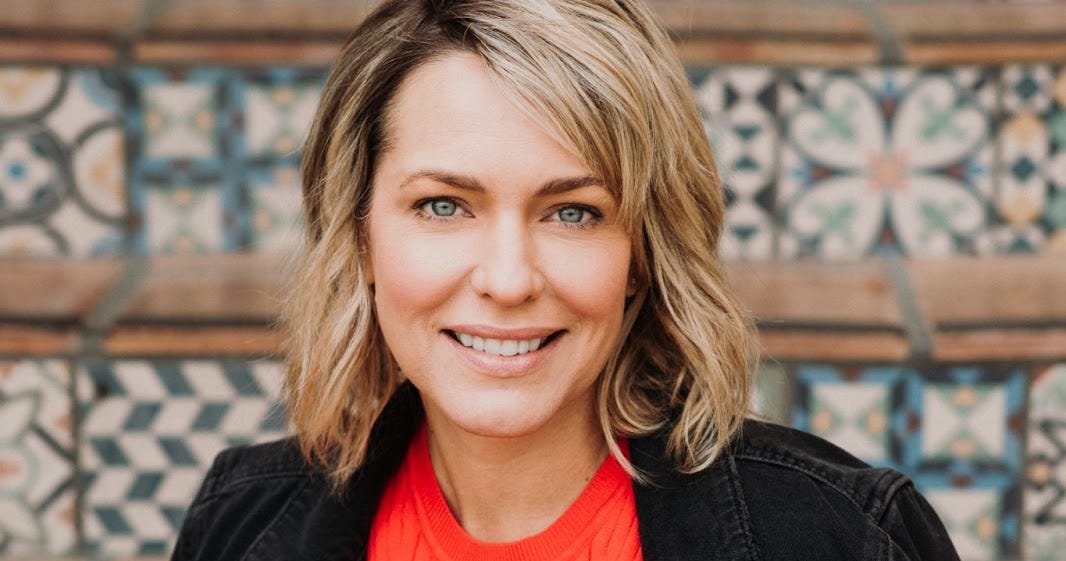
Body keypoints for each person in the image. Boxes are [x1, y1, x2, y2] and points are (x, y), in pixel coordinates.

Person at [171, 1, 960, 560]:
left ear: (641, 253)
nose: (508, 278)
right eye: (443, 205)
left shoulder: (840, 535)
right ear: (360, 235)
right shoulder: (239, 522)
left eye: (573, 212)